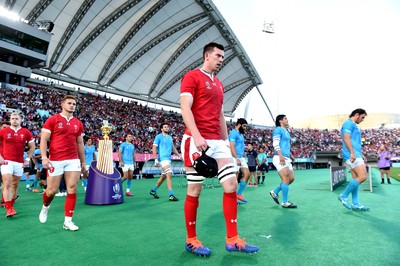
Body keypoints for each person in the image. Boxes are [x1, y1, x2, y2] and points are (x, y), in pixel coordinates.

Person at [180, 42, 259, 257]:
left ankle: (232, 239)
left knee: (231, 183)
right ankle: (191, 239)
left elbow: (220, 115)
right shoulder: (192, 77)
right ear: (207, 55)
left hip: (217, 142)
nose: (221, 59)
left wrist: (224, 141)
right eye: (218, 56)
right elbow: (185, 107)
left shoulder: (220, 84)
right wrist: (196, 136)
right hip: (196, 139)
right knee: (195, 189)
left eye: (223, 57)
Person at [38, 95, 85, 231]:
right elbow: (44, 140)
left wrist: (83, 162)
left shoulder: (78, 123)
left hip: (72, 159)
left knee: (72, 188)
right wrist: (44, 157)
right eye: (69, 103)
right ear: (62, 104)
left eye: (74, 104)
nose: (72, 105)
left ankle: (68, 221)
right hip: (55, 159)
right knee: (52, 191)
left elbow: (80, 143)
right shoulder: (53, 120)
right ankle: (45, 206)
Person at [0, 113, 35, 217]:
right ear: (10, 120)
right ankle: (9, 209)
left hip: (19, 162)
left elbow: (32, 147)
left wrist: (28, 159)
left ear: (21, 120)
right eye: (12, 119)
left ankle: (11, 205)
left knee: (15, 185)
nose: (14, 120)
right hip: (7, 161)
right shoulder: (4, 131)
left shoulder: (26, 132)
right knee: (7, 183)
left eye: (16, 119)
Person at [338, 108, 369, 211]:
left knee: (356, 178)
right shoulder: (348, 123)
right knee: (363, 176)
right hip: (351, 154)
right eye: (362, 117)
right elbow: (346, 138)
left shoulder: (354, 125)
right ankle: (344, 195)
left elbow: (355, 142)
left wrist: (361, 154)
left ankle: (355, 203)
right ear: (357, 115)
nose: (363, 120)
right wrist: (352, 153)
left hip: (356, 154)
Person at [269, 114, 297, 208]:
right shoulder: (278, 130)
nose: (287, 120)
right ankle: (285, 202)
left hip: (286, 157)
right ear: (280, 121)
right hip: (279, 157)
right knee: (285, 179)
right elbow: (275, 143)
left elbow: (286, 145)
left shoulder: (286, 131)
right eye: (285, 118)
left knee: (291, 178)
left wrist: (291, 155)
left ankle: (275, 192)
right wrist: (280, 156)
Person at [149, 123, 181, 201]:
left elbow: (173, 148)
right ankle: (171, 195)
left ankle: (153, 190)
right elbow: (154, 148)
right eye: (165, 127)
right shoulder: (158, 137)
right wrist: (155, 159)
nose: (167, 128)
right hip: (162, 159)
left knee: (163, 176)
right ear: (161, 129)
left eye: (167, 127)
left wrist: (179, 155)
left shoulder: (170, 137)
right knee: (169, 174)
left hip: (168, 159)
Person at [229, 118, 251, 203]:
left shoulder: (241, 134)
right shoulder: (233, 133)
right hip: (234, 157)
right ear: (239, 124)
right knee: (235, 176)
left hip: (241, 157)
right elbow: (232, 147)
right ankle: (232, 198)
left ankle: (239, 194)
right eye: (244, 126)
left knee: (247, 174)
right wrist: (237, 158)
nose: (245, 128)